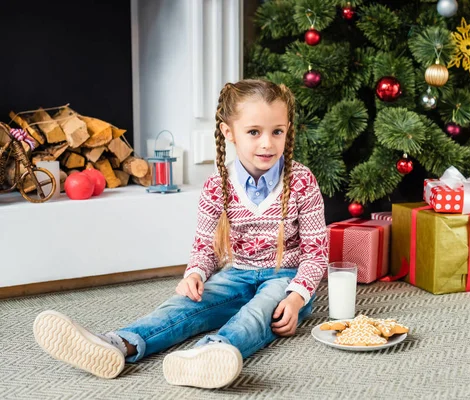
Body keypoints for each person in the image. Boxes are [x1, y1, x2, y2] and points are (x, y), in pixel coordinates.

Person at [33, 79, 329, 389]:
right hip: (238, 273)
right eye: (254, 132)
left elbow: (316, 252)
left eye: (277, 131)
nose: (267, 143)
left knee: (257, 314)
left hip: (286, 280)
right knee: (185, 307)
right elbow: (205, 246)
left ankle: (211, 354)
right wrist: (195, 273)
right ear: (229, 133)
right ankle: (119, 343)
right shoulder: (217, 185)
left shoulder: (302, 181)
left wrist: (296, 298)